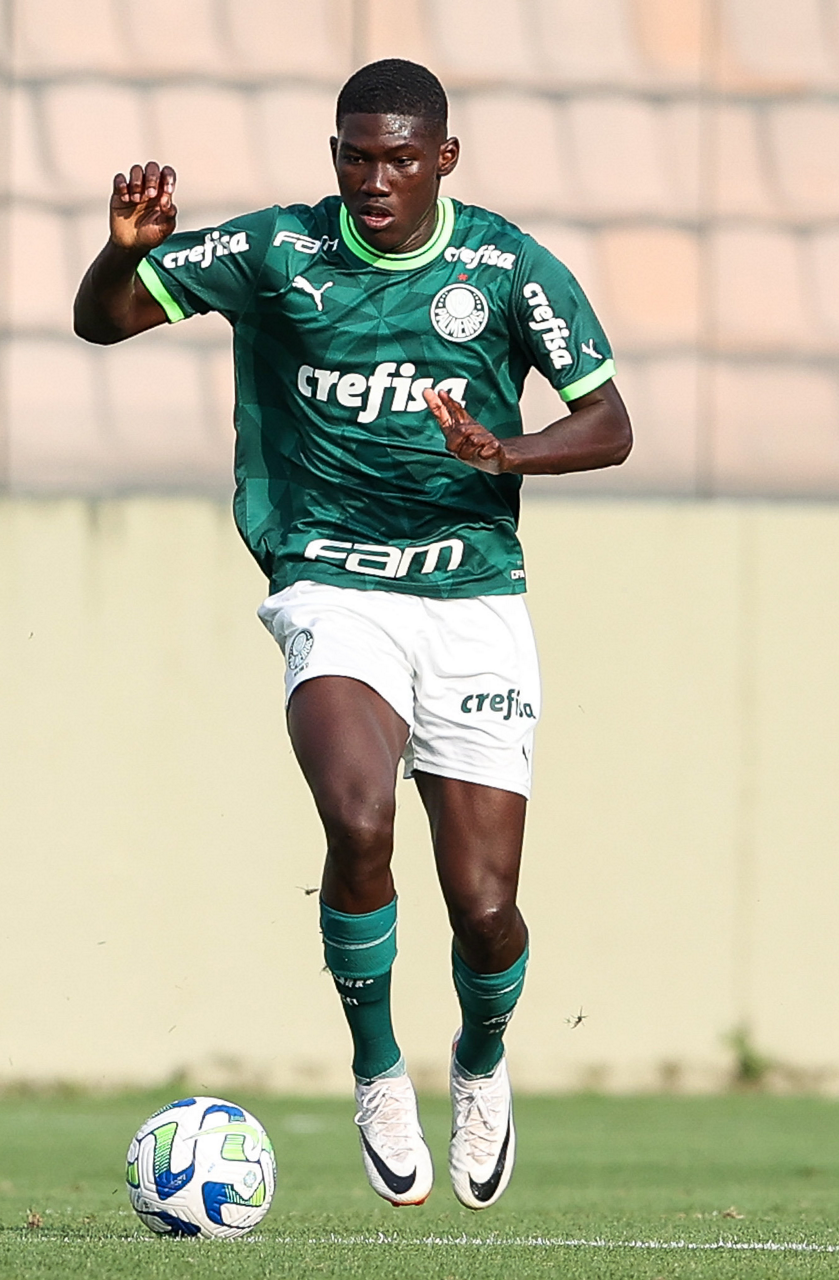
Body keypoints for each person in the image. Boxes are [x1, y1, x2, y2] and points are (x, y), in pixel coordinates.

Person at [74, 58, 631, 1210]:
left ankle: (478, 1058)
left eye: (396, 159)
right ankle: (376, 1067)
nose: (372, 180)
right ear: (334, 154)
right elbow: (103, 321)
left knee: (483, 908)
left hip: (471, 595)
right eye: (354, 157)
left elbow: (608, 422)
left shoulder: (505, 269)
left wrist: (504, 451)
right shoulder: (277, 251)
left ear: (442, 159)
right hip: (329, 580)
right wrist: (123, 253)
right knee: (357, 814)